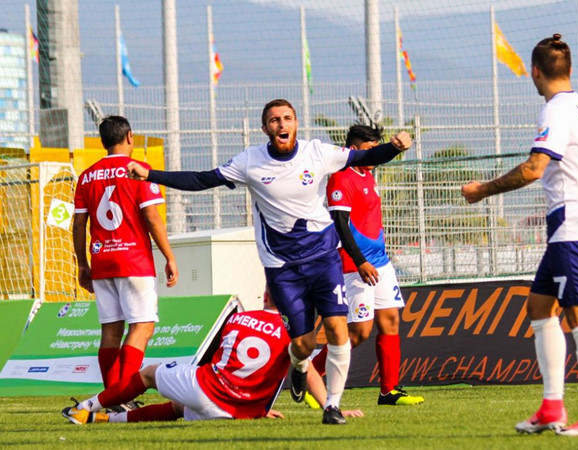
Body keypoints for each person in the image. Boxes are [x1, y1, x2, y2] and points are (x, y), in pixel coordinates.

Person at [126, 99, 412, 424]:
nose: (281, 124)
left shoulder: (317, 153)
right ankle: (299, 365)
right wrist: (150, 174)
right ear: (265, 128)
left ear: (296, 124)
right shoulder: (251, 161)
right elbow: (203, 179)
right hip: (282, 268)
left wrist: (394, 148)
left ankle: (332, 406)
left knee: (337, 330)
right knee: (303, 344)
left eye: (287, 118)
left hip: (324, 258)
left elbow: (365, 156)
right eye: (274, 120)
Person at [461, 34, 578, 437]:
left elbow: (533, 169)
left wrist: (482, 191)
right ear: (568, 68)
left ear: (534, 71)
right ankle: (551, 407)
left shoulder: (556, 110)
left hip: (573, 225)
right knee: (539, 307)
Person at [305, 124, 424, 408]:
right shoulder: (341, 177)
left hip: (380, 262)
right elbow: (340, 224)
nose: (374, 155)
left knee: (390, 321)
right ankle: (312, 376)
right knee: (359, 332)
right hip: (354, 265)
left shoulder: (367, 174)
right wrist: (360, 261)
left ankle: (389, 391)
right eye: (370, 149)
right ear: (353, 149)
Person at [62, 288, 291, 424]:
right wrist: (257, 410)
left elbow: (221, 358)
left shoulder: (239, 317)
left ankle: (84, 407)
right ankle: (107, 420)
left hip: (209, 391)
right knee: (179, 407)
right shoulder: (293, 333)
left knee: (149, 374)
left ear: (265, 296)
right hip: (239, 410)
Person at [73, 116, 179, 410]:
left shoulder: (87, 175)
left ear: (103, 141)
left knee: (110, 330)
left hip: (102, 259)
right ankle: (120, 397)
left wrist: (82, 264)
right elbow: (152, 217)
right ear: (130, 136)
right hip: (133, 259)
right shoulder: (137, 170)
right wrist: (169, 257)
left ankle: (111, 398)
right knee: (142, 327)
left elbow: (79, 224)